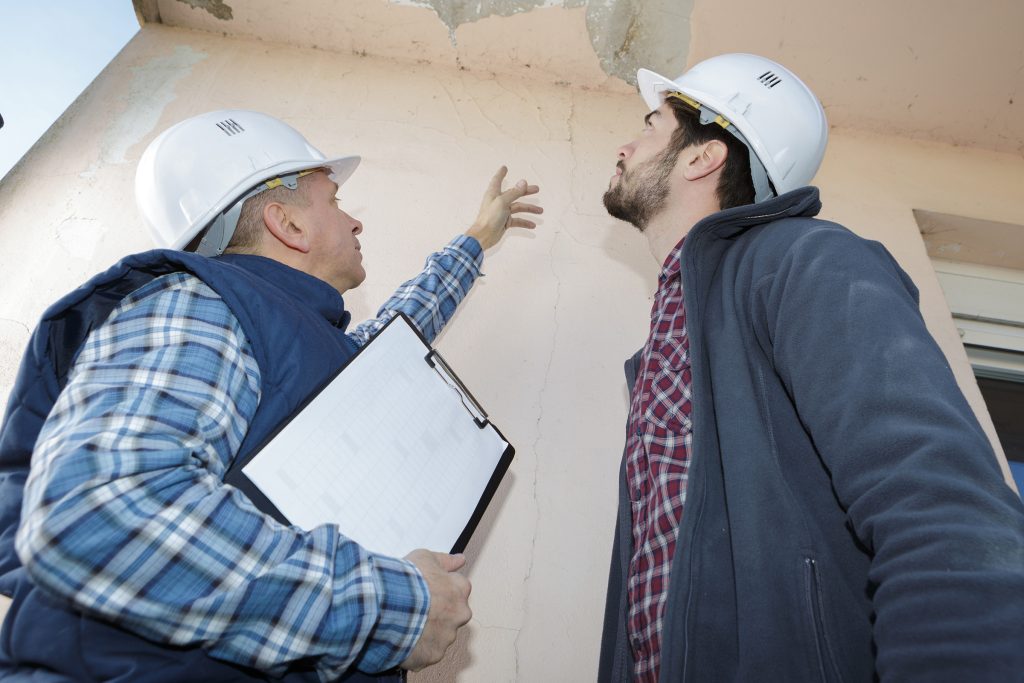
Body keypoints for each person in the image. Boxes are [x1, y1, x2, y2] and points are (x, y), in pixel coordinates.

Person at [0, 109, 542, 681]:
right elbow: (104, 511)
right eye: (334, 201)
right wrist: (396, 607)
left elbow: (405, 324)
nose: (355, 222)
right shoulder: (198, 304)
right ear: (287, 225)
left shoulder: (292, 343)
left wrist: (478, 238)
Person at [596, 53, 1024, 682]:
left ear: (701, 157)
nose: (626, 145)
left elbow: (938, 503)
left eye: (651, 125)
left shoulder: (805, 259)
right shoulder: (673, 338)